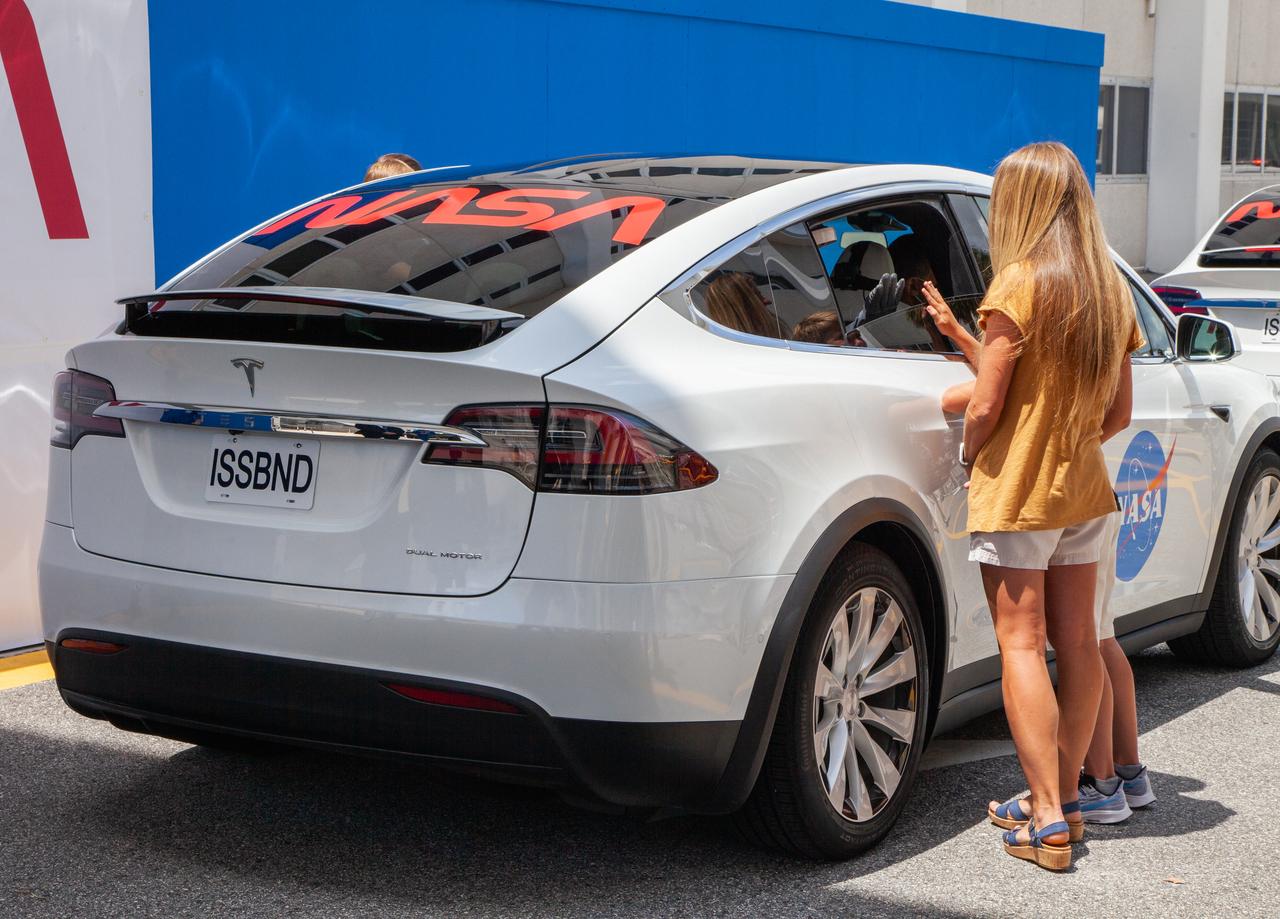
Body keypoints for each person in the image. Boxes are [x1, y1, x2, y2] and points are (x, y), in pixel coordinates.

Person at [937, 141, 1144, 872]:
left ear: (1018, 204)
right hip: (1086, 489)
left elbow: (987, 402)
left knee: (1020, 646)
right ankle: (1061, 801)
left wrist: (972, 451)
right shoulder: (1109, 292)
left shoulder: (1017, 285)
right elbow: (1119, 412)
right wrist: (1064, 440)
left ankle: (1047, 819)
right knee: (1079, 643)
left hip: (1019, 494)